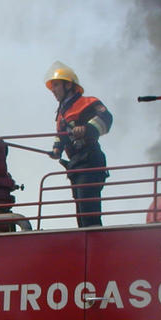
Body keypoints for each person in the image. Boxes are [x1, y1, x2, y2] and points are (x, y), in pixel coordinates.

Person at [46, 61, 113, 227]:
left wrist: (87, 129)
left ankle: (94, 239)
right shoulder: (62, 114)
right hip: (75, 165)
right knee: (81, 216)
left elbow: (106, 118)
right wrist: (56, 149)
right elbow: (61, 135)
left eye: (56, 85)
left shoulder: (88, 103)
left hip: (90, 161)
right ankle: (87, 237)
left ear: (68, 85)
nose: (53, 90)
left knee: (88, 213)